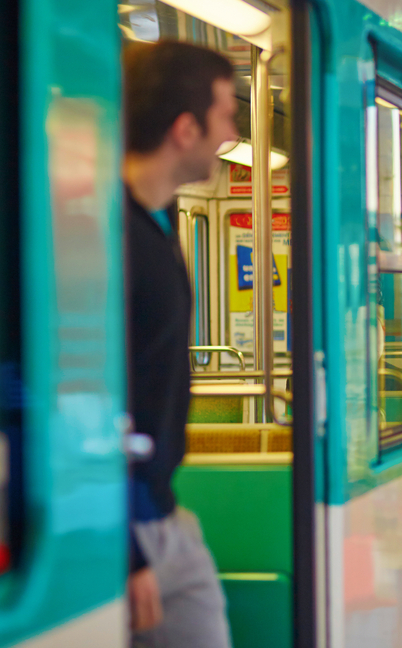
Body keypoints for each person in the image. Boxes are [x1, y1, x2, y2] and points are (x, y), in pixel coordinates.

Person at [123, 41, 238, 647]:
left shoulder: (160, 223)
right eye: (225, 114)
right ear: (185, 127)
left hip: (160, 515)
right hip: (125, 525)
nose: (232, 132)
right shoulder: (109, 236)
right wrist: (128, 548)